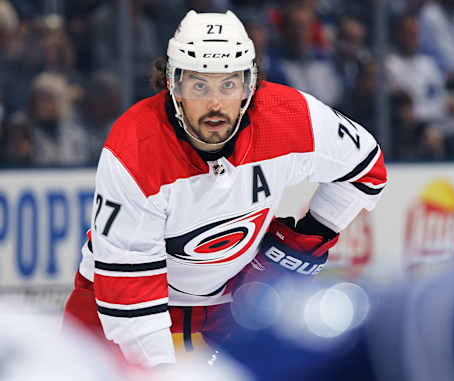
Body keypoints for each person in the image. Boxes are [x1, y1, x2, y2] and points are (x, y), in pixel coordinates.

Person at [63, 10, 387, 368]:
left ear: (250, 86)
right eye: (199, 85)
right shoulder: (135, 149)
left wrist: (309, 237)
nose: (215, 104)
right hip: (111, 311)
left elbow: (367, 167)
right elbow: (130, 302)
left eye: (228, 84)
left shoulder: (292, 117)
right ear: (173, 85)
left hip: (229, 315)